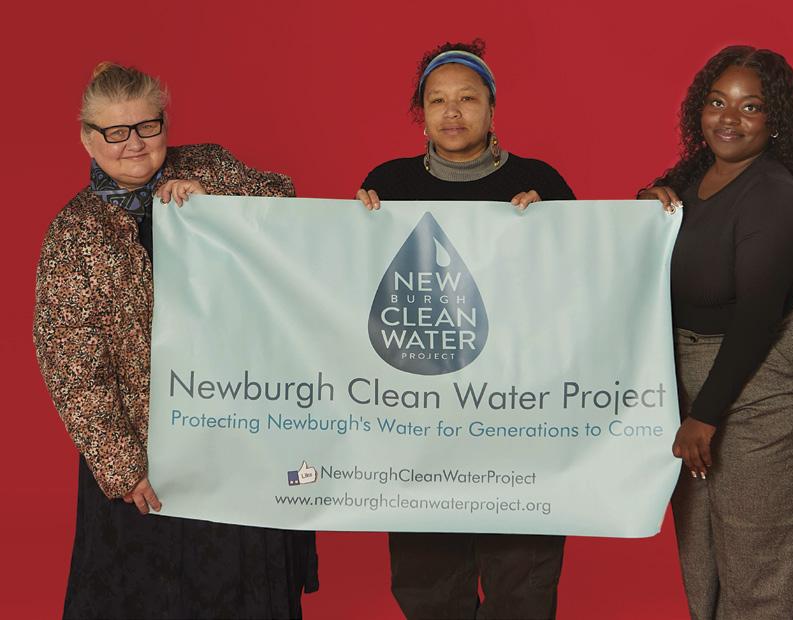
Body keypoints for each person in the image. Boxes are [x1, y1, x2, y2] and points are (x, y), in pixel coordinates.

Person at [33, 62, 318, 619]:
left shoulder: (207, 164)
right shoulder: (74, 232)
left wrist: (217, 204)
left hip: (239, 432)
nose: (134, 143)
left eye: (148, 126)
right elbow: (70, 364)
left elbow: (286, 203)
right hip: (146, 453)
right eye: (116, 131)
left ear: (165, 123)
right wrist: (122, 465)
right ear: (88, 139)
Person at [357, 40, 574, 620]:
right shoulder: (387, 186)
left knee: (522, 584)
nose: (452, 112)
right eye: (437, 100)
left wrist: (554, 226)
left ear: (492, 108)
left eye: (467, 99)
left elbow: (580, 288)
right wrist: (356, 228)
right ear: (422, 113)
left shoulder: (539, 182)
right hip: (420, 424)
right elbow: (360, 292)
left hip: (516, 417)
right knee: (429, 587)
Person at [638, 46, 793, 619]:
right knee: (703, 564)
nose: (729, 118)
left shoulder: (772, 194)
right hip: (690, 373)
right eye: (718, 102)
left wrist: (704, 416)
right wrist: (648, 204)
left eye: (750, 107)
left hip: (764, 381)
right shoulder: (695, 175)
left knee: (759, 568)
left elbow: (756, 317)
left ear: (775, 121)